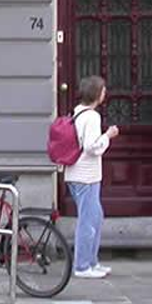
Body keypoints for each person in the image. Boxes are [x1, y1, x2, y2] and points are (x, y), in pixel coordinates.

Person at [64, 75, 119, 279]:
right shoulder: (92, 117)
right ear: (97, 94)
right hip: (86, 175)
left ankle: (92, 261)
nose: (105, 94)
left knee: (95, 217)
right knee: (88, 221)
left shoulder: (77, 113)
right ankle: (82, 266)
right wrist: (108, 136)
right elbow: (91, 147)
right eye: (103, 90)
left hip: (77, 174)